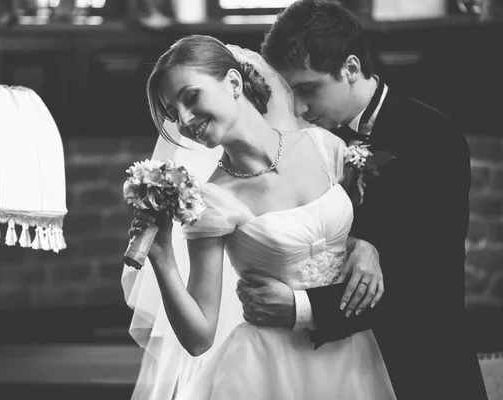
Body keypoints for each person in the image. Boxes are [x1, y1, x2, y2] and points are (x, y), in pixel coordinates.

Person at [235, 1, 488, 399]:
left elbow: (427, 282)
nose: (298, 108)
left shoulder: (433, 135)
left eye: (308, 88)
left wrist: (301, 309)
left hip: (420, 367)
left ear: (350, 68)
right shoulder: (305, 146)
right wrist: (355, 242)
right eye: (290, 92)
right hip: (328, 371)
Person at [126, 34, 396, 399]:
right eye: (174, 113)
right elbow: (199, 337)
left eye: (191, 97)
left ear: (233, 82)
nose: (185, 120)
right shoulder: (212, 200)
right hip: (268, 371)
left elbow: (347, 236)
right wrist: (162, 258)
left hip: (353, 357)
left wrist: (366, 245)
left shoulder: (325, 147)